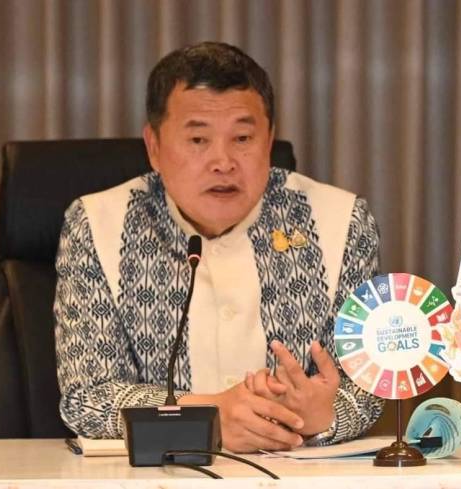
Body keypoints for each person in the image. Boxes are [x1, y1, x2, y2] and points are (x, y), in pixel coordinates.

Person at [54, 41, 384, 453]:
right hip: (157, 476)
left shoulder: (341, 220)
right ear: (154, 147)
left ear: (269, 141)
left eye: (242, 137)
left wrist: (324, 416)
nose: (223, 162)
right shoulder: (98, 224)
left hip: (296, 471)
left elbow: (367, 385)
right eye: (198, 140)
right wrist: (207, 416)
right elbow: (87, 397)